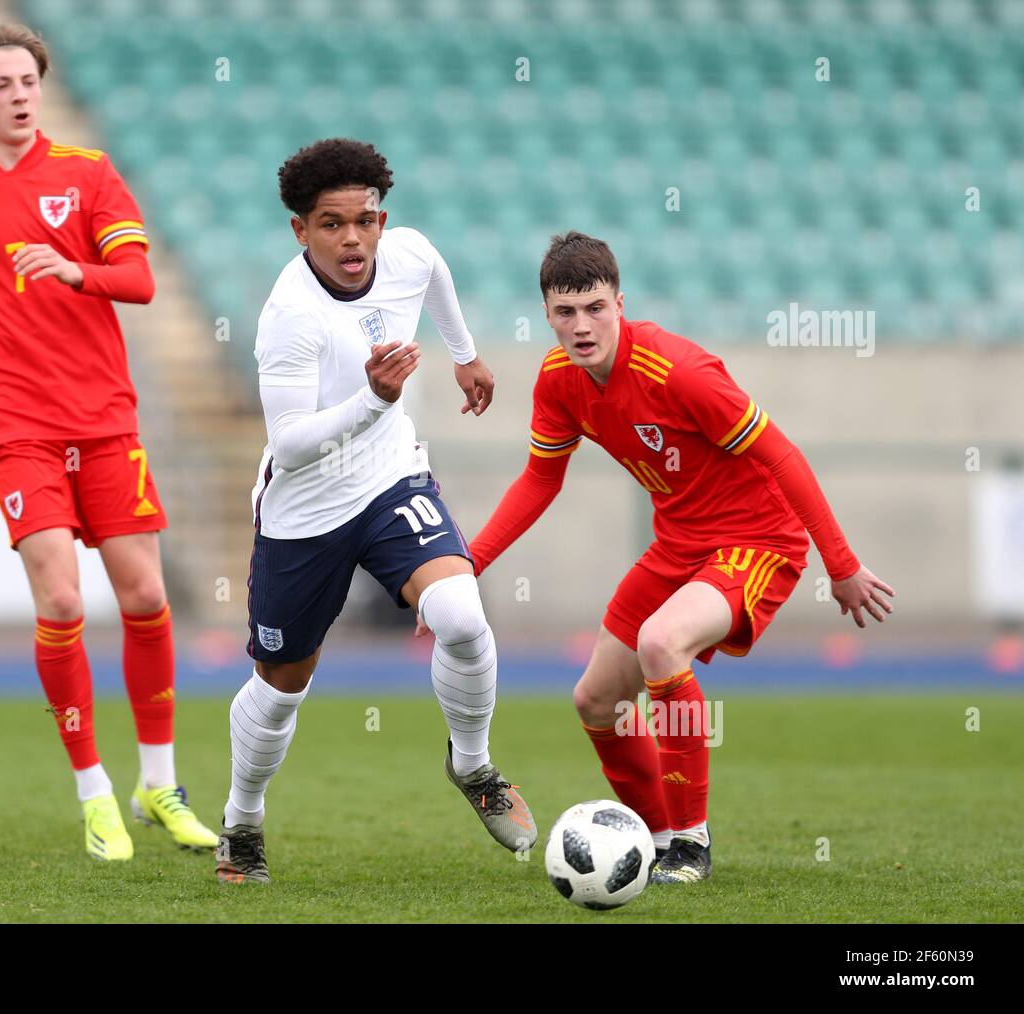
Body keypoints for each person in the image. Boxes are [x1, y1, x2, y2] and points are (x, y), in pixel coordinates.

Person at [0, 24, 217, 862]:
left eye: (29, 79)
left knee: (143, 596)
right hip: (14, 422)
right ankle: (94, 793)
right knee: (62, 602)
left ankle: (159, 784)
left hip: (104, 418)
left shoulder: (88, 174)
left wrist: (78, 272)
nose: (20, 94)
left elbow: (136, 281)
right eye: (1, 84)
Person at [467, 232, 893, 883]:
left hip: (758, 541)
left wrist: (841, 565)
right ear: (547, 313)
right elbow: (540, 480)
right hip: (678, 544)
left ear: (620, 304)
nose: (581, 326)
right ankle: (654, 840)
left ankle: (692, 844)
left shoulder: (679, 372)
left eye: (595, 308)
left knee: (661, 643)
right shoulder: (559, 381)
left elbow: (782, 456)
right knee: (595, 699)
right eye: (565, 312)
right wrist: (469, 565)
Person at [214, 138, 537, 884]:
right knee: (280, 686)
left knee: (459, 613)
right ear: (301, 231)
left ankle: (475, 766)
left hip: (392, 480)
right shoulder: (288, 316)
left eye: (364, 220)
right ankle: (243, 821)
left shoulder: (408, 251)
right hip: (306, 512)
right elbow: (290, 447)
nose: (352, 239)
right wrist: (374, 400)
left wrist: (464, 353)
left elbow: (434, 274)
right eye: (331, 224)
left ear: (381, 218)